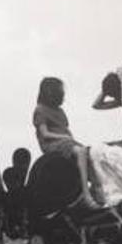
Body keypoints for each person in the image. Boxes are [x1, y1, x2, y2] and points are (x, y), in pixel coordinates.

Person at [32, 77, 100, 209]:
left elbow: (66, 130)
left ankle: (98, 190)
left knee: (90, 153)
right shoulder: (40, 109)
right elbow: (45, 134)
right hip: (52, 143)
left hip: (66, 141)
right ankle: (86, 194)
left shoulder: (60, 111)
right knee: (81, 152)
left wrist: (70, 139)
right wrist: (64, 137)